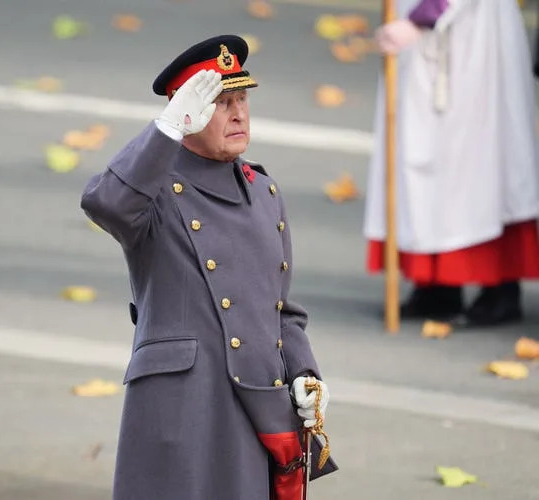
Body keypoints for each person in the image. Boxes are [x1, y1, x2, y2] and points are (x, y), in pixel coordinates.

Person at [81, 35, 336, 500]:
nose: (239, 113)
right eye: (220, 103)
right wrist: (166, 130)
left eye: (242, 99)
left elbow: (280, 307)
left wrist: (303, 370)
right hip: (185, 406)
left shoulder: (263, 190)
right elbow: (105, 204)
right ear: (190, 113)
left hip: (259, 401)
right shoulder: (154, 190)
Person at [364, 0, 539, 325]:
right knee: (423, 154)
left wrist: (425, 16)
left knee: (480, 161)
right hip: (423, 30)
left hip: (475, 33)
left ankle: (498, 285)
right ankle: (436, 285)